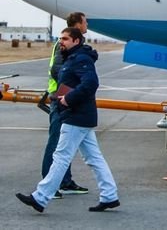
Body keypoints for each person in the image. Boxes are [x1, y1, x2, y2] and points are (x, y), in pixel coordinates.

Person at [16, 27, 120, 213]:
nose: (61, 42)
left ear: (76, 41)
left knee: (61, 157)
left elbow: (91, 83)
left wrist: (68, 99)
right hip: (79, 115)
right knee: (94, 158)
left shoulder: (80, 59)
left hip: (76, 115)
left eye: (65, 39)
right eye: (60, 38)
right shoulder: (71, 58)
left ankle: (40, 197)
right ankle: (110, 196)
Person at [42, 11, 89, 199]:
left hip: (68, 98)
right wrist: (75, 86)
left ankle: (65, 182)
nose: (87, 25)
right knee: (56, 142)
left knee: (66, 144)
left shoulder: (76, 43)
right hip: (60, 98)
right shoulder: (64, 43)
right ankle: (48, 184)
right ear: (78, 24)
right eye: (85, 22)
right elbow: (58, 70)